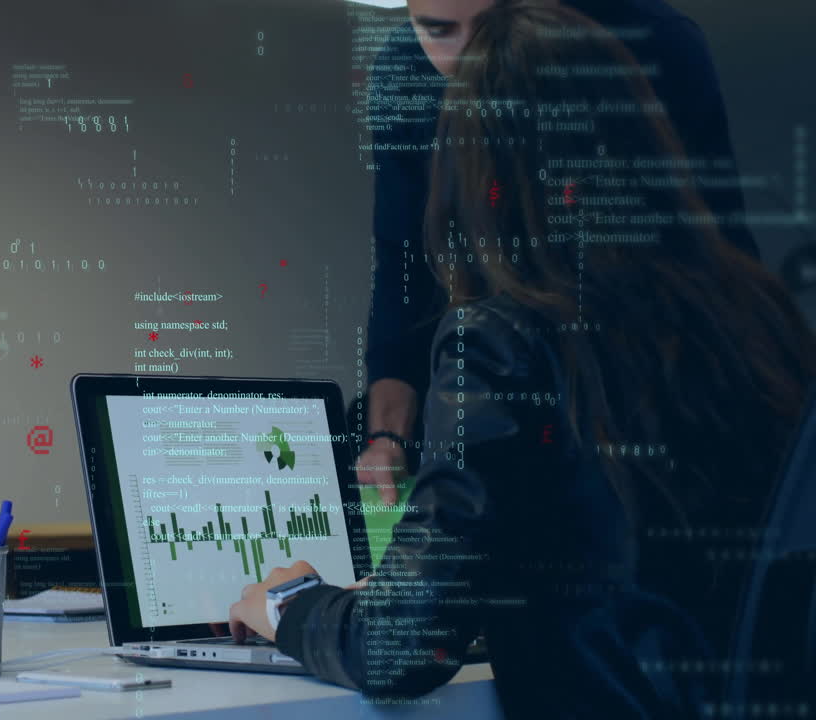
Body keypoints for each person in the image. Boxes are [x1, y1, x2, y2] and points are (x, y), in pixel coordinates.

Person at [228, 3, 816, 715]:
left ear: (471, 156)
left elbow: (400, 651)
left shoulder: (504, 340)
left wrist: (290, 602)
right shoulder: (759, 324)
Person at [356, 0, 760, 509]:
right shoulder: (404, 73)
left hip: (653, 387)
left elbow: (715, 246)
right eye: (437, 31)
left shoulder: (658, 41)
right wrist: (386, 437)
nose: (467, 59)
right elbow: (403, 261)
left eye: (490, 29)